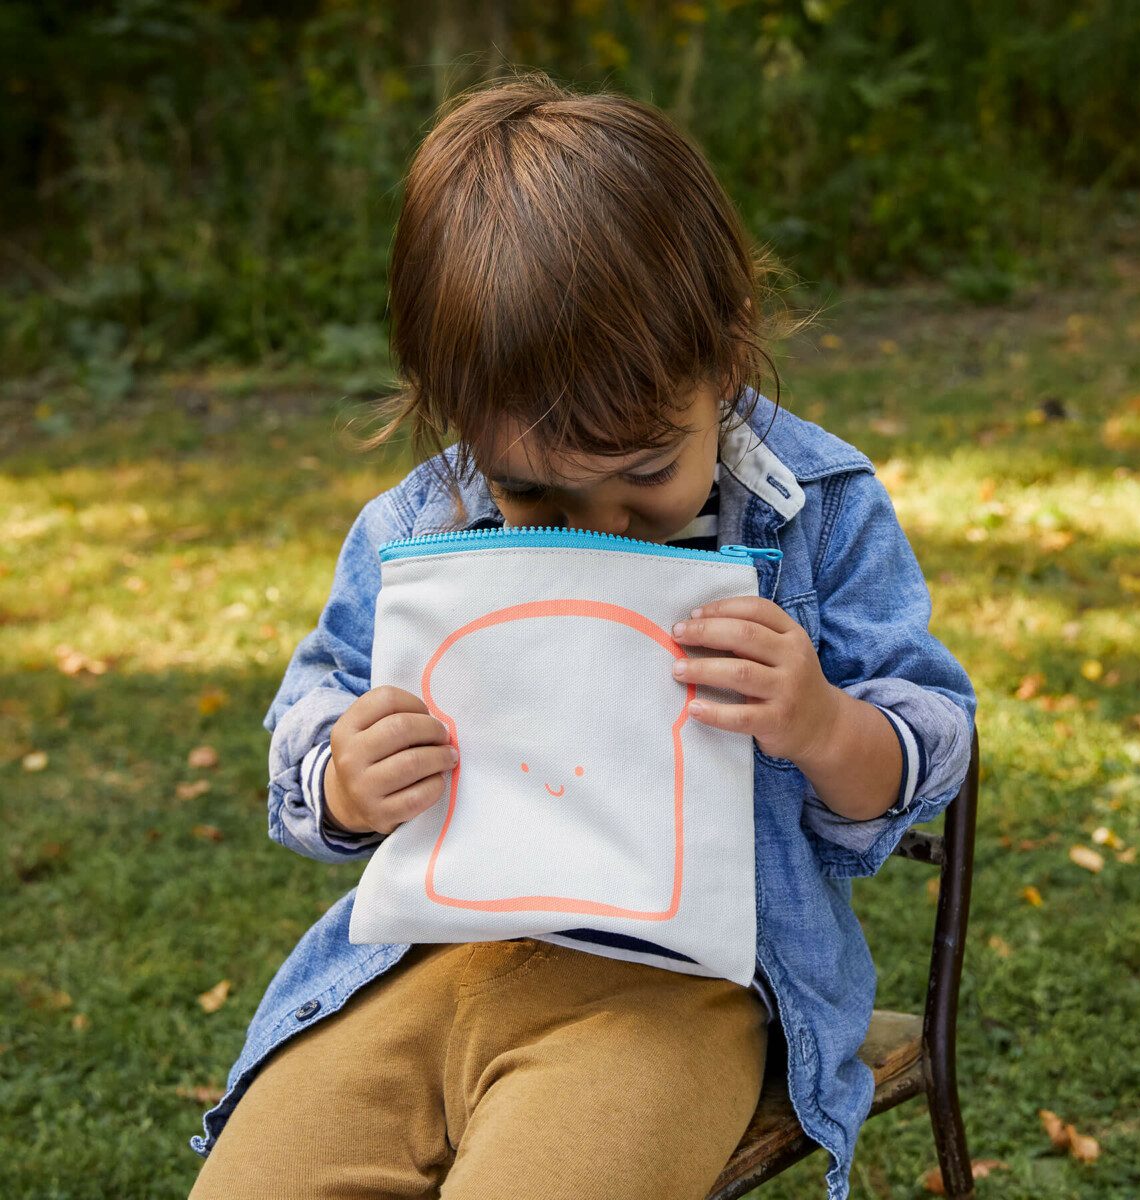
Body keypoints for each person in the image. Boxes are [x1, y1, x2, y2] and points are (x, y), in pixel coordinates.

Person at [188, 72, 975, 1200]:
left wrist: (823, 723)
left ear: (727, 353)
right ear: (452, 408)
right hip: (416, 970)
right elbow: (313, 716)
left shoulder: (820, 511)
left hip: (686, 993)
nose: (601, 524)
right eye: (536, 495)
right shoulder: (422, 524)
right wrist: (343, 778)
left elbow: (932, 738)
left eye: (649, 470)